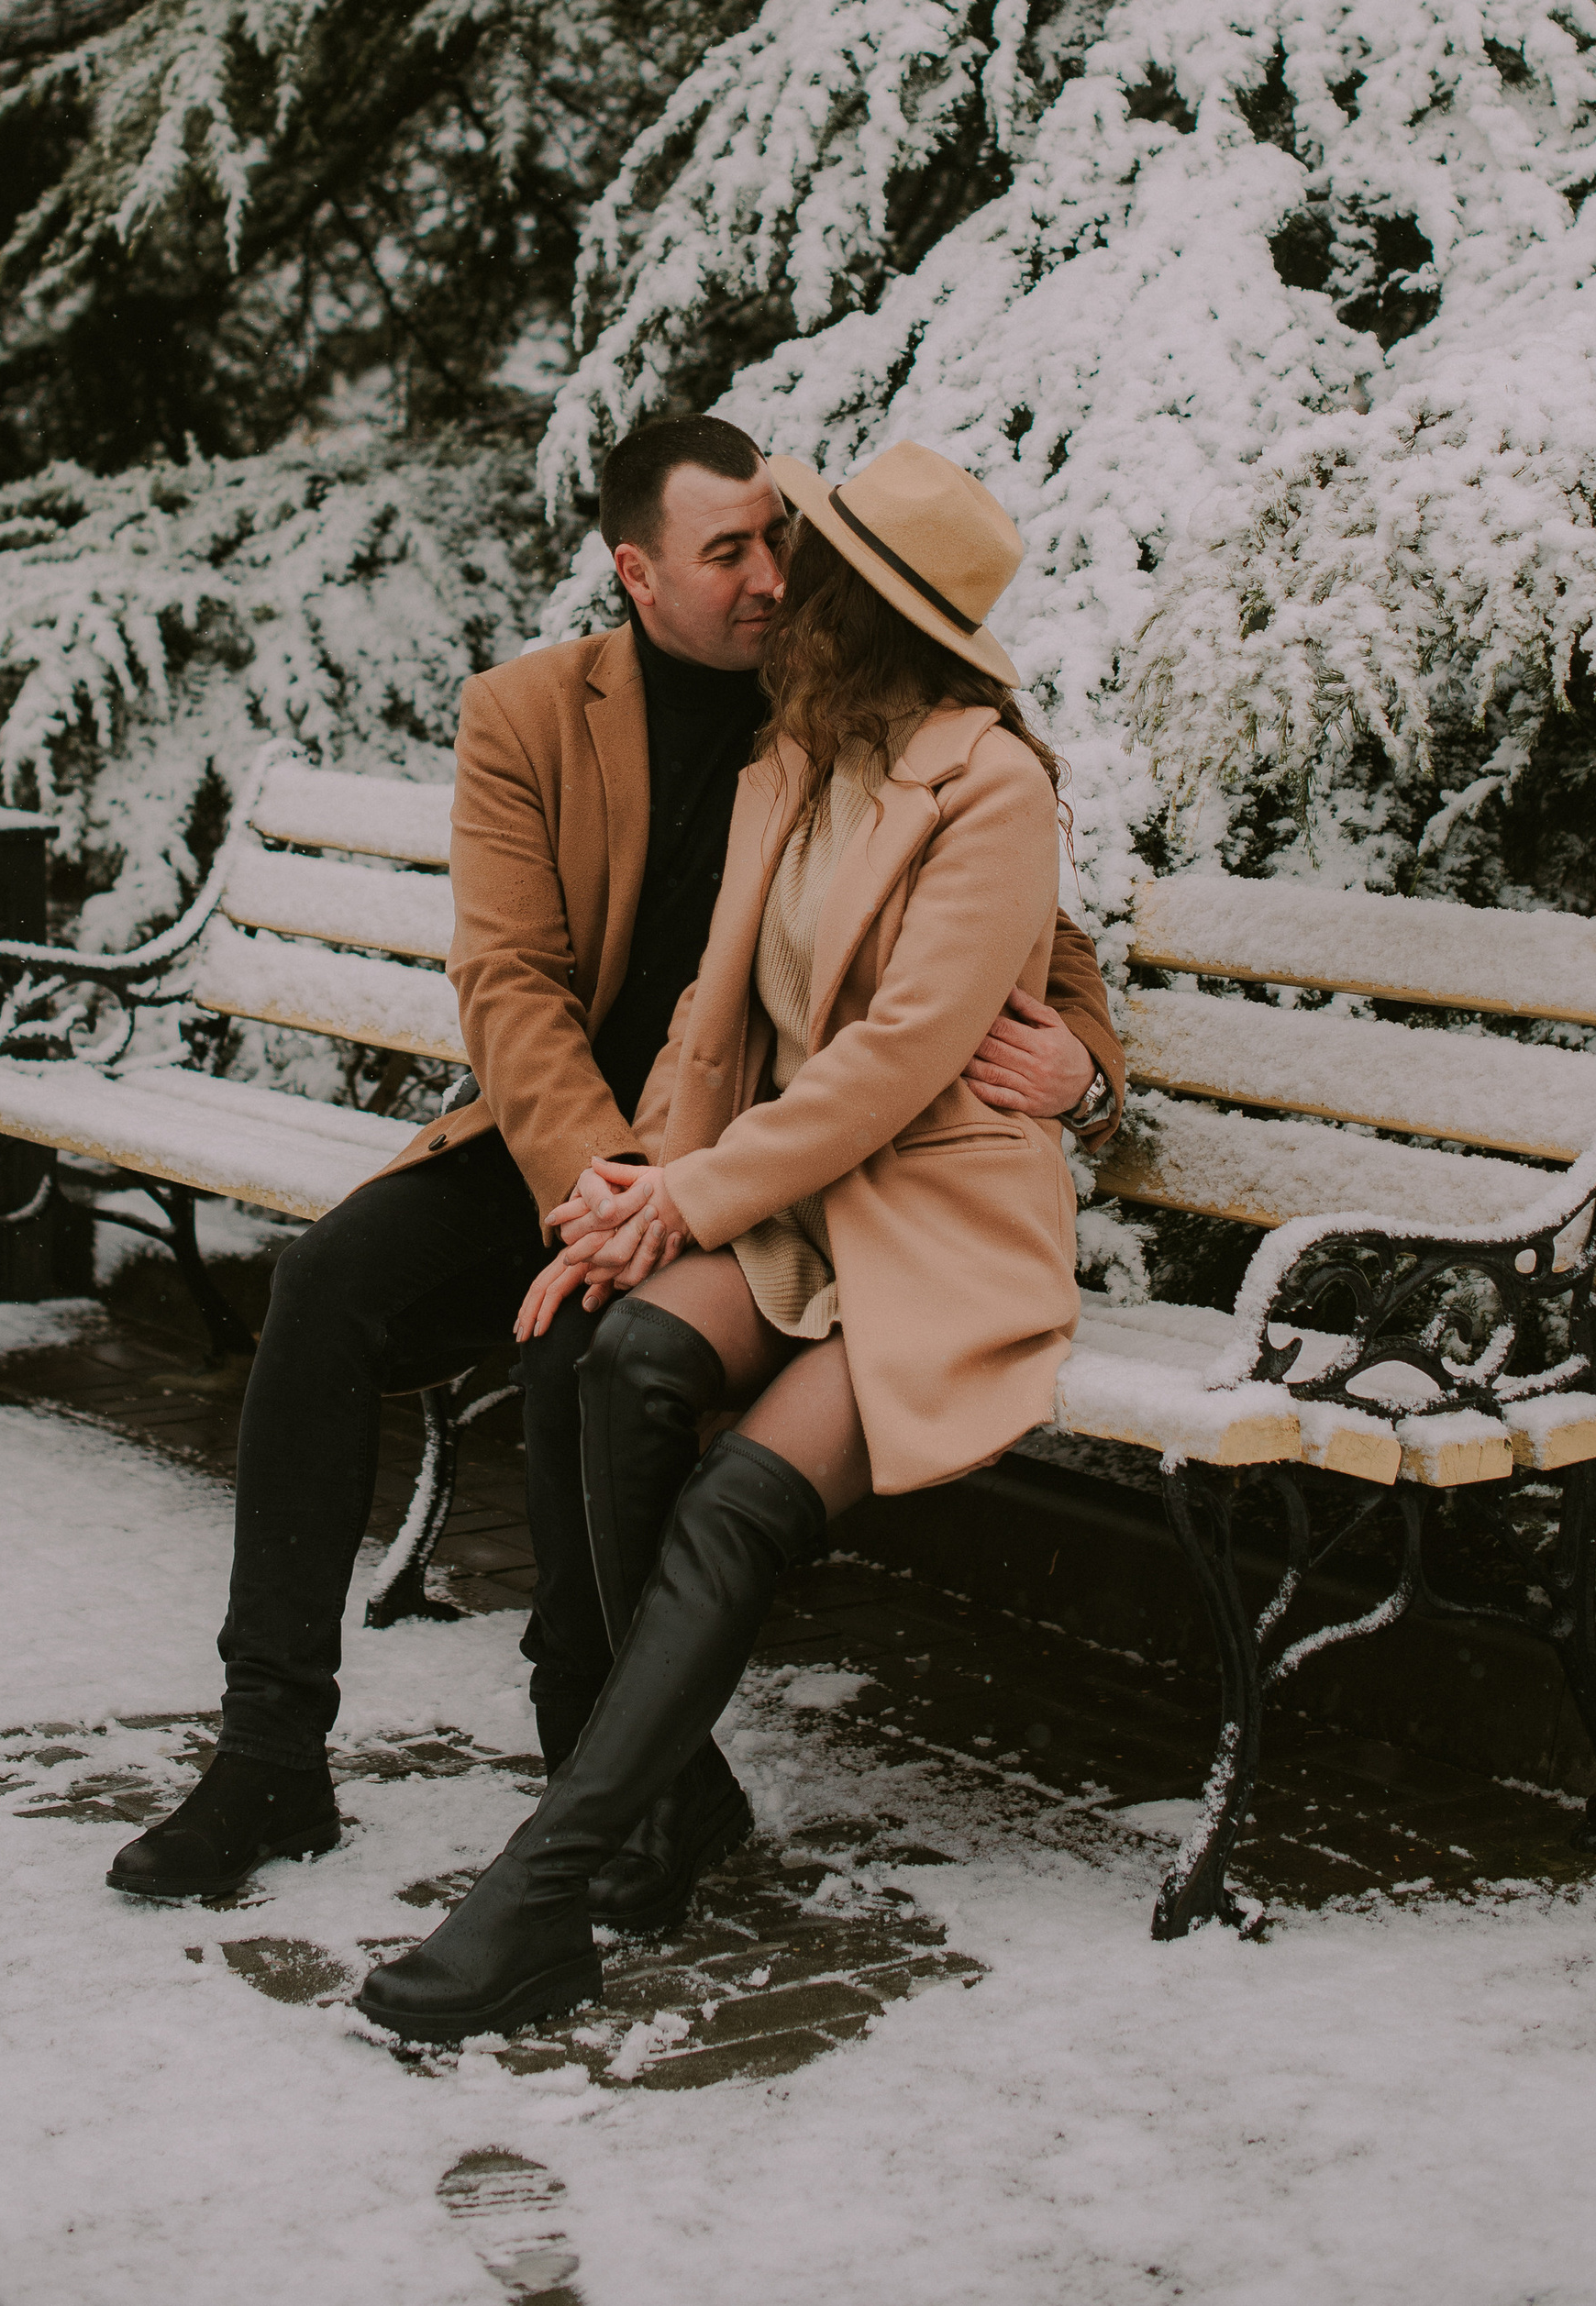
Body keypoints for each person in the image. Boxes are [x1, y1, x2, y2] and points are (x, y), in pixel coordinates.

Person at [108, 418, 1121, 1902]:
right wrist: (598, 1188)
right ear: (636, 571)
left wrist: (1088, 1064)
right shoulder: (532, 714)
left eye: (781, 537)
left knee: (590, 1343)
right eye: (732, 552)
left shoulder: (838, 684)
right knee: (325, 1287)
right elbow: (508, 983)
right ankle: (269, 1753)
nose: (772, 576)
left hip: (746, 1164)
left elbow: (1035, 933)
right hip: (567, 1146)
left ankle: (587, 1736)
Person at [359, 438, 1092, 2045]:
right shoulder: (797, 760)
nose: (773, 581)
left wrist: (691, 1199)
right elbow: (714, 1023)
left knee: (744, 1496)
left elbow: (897, 1058)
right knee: (614, 1351)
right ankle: (673, 1799)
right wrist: (630, 1201)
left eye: (803, 561)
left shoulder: (993, 787)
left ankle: (543, 1893)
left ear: (866, 606)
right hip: (803, 1205)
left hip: (943, 1220)